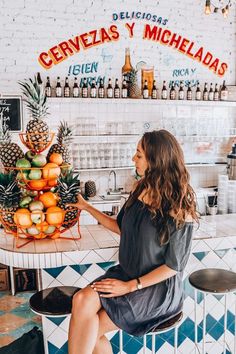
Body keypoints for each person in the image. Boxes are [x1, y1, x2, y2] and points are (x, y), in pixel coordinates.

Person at [67, 129, 198, 354]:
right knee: (81, 300)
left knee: (91, 328)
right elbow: (121, 228)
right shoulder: (140, 188)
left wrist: (130, 286)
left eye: (138, 155)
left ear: (155, 160)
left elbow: (174, 266)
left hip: (154, 290)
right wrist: (87, 207)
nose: (133, 159)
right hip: (126, 273)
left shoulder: (179, 206)